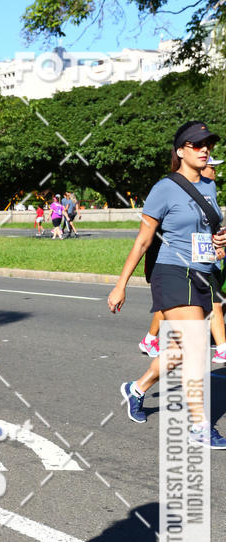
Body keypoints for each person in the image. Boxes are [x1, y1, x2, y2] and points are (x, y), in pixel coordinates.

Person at [108, 120, 226, 448]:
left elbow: (207, 230)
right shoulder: (164, 188)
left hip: (204, 272)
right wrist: (121, 284)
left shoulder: (209, 186)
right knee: (197, 344)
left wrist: (219, 241)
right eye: (197, 144)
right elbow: (144, 240)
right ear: (180, 151)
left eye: (208, 144)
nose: (205, 150)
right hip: (172, 271)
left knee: (179, 350)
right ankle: (200, 426)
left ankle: (136, 388)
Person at [138, 154, 226, 363]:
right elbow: (151, 233)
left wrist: (218, 243)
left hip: (205, 258)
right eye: (212, 167)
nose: (214, 171)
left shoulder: (210, 189)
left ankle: (152, 343)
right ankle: (221, 347)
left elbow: (210, 225)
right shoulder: (173, 188)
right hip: (180, 261)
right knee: (211, 301)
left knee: (209, 302)